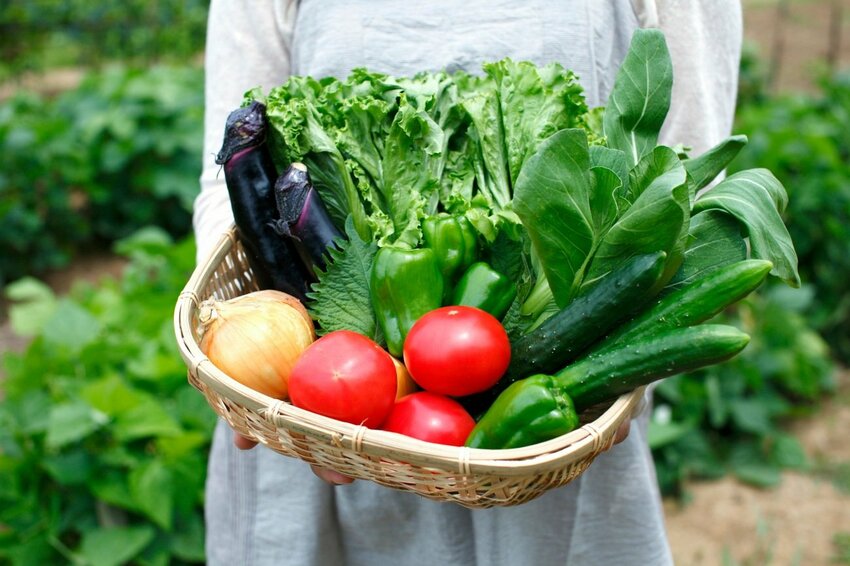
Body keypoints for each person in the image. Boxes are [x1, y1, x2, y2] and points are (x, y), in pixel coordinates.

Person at [194, 1, 743, 564]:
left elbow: (679, 191)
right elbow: (231, 182)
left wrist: (620, 384)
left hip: (550, 458)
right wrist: (250, 376)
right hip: (309, 426)